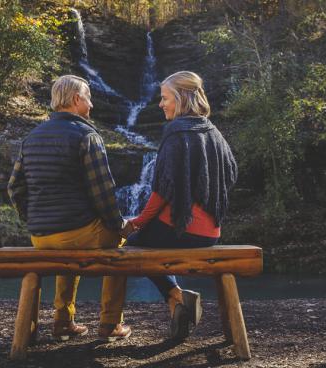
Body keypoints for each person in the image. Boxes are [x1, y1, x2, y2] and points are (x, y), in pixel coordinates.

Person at [7, 75, 134, 342]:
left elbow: (14, 188)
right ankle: (111, 323)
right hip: (78, 232)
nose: (92, 105)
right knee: (120, 243)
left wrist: (33, 219)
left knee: (69, 248)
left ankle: (63, 321)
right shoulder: (87, 136)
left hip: (41, 236)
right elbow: (103, 192)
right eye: (89, 97)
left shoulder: (31, 138)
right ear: (76, 99)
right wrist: (117, 224)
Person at [126, 71, 238, 339]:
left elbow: (162, 191)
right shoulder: (213, 131)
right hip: (211, 234)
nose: (161, 104)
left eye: (165, 98)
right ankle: (176, 301)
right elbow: (231, 173)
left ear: (181, 98)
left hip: (180, 229)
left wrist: (138, 222)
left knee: (132, 246)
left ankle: (175, 297)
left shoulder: (176, 132)